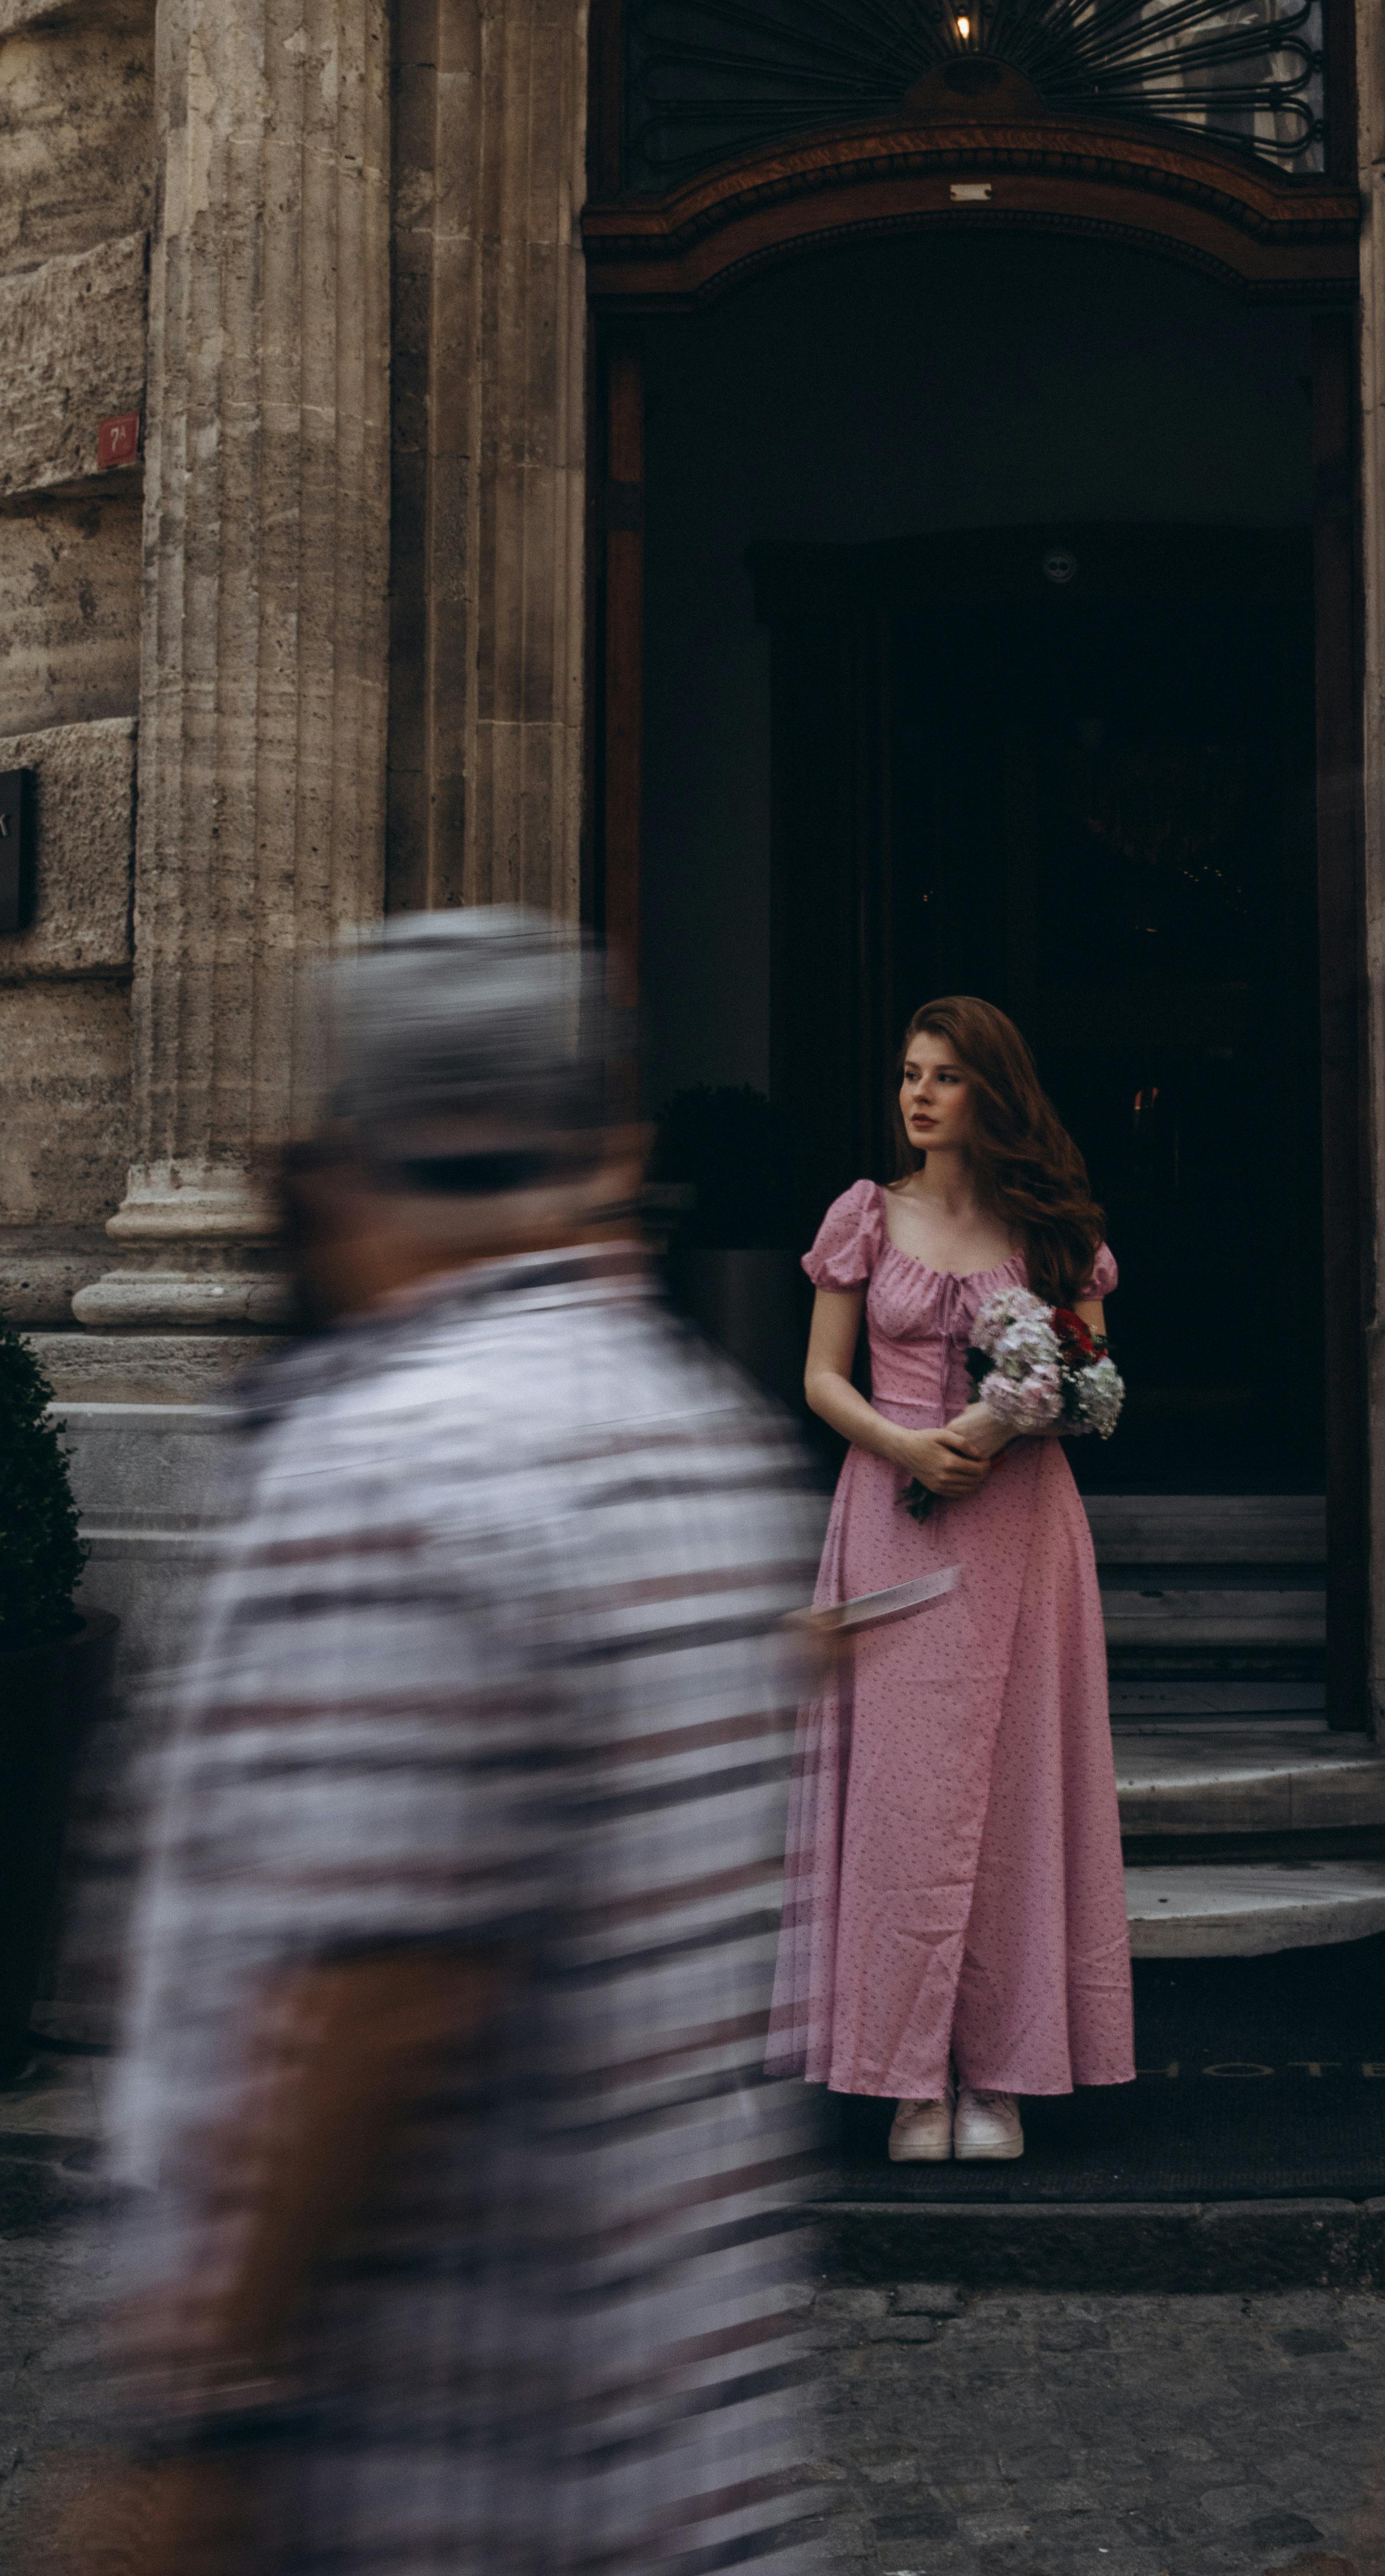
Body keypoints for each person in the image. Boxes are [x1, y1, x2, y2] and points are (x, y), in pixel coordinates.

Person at [77, 912, 821, 2576]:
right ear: (604, 1151)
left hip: (429, 2482)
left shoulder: (385, 1468)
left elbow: (374, 1993)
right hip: (680, 2464)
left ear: (334, 1161)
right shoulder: (701, 1439)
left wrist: (205, 2429)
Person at [771, 995, 1134, 2164]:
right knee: (905, 1800)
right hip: (893, 1518)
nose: (916, 1096)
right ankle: (906, 2076)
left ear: (993, 1092)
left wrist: (1005, 1419)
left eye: (944, 1078)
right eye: (908, 1075)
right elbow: (823, 1380)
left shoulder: (1053, 1231)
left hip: (1022, 1532)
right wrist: (911, 1449)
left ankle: (1007, 2073)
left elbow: (1087, 1375)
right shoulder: (866, 1215)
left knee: (1019, 1792)